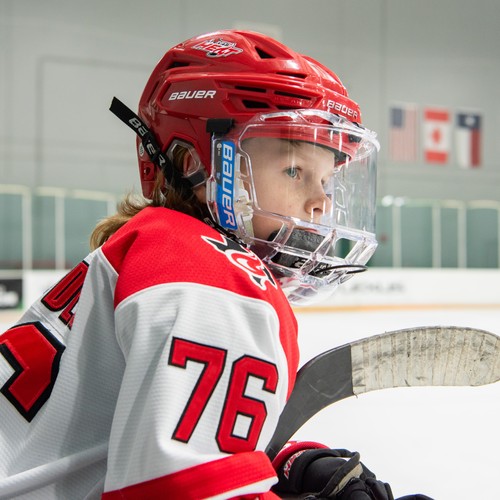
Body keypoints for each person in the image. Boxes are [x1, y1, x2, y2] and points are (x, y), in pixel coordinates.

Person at [0, 30, 429, 499]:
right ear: (195, 165)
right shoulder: (210, 276)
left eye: (326, 180)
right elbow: (170, 492)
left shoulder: (164, 248)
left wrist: (285, 462)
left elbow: (134, 430)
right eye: (294, 171)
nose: (320, 202)